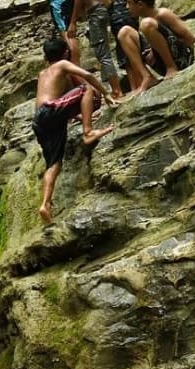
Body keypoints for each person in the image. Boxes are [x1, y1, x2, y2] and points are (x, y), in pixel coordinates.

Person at [33, 39, 115, 224]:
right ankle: (88, 132)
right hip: (50, 111)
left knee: (54, 164)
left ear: (46, 57)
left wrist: (79, 116)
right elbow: (88, 76)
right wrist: (106, 94)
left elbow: (49, 103)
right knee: (86, 89)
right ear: (65, 53)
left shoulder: (42, 73)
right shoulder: (62, 64)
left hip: (39, 120)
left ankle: (45, 205)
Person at [117, 0, 195, 94]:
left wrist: (175, 47)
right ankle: (147, 77)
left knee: (146, 24)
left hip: (181, 60)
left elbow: (190, 39)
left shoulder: (163, 14)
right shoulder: (143, 20)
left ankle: (171, 67)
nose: (126, 7)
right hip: (160, 63)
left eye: (129, 3)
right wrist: (153, 49)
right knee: (124, 33)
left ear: (140, 4)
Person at [77, 0, 123, 98]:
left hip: (95, 12)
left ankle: (117, 91)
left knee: (103, 55)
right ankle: (115, 87)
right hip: (104, 8)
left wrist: (73, 22)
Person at [50, 0, 82, 65]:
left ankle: (75, 65)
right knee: (70, 34)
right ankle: (76, 64)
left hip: (58, 4)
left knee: (67, 34)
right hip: (66, 3)